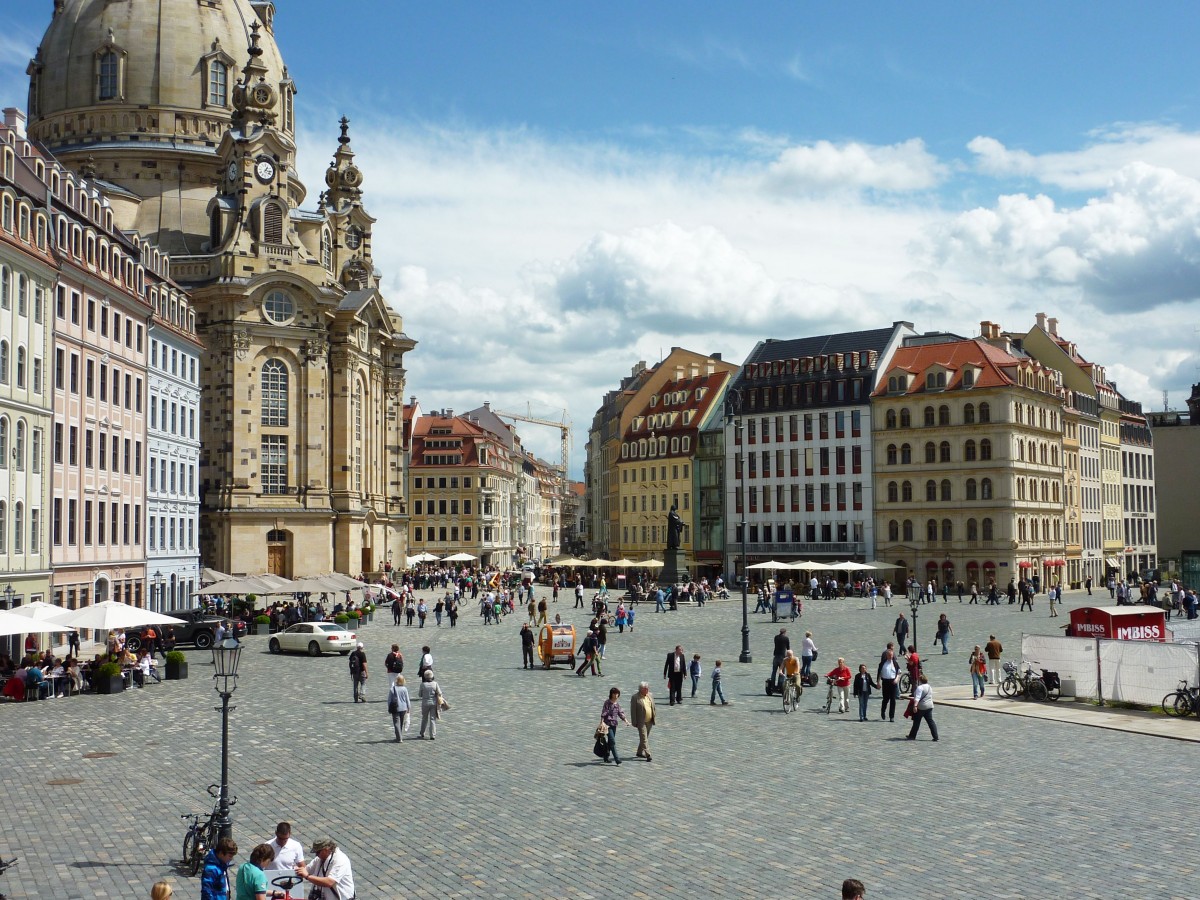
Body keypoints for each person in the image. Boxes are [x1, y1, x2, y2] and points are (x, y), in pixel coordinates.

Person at [600, 686, 629, 765]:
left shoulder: (617, 704)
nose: (616, 695)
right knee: (612, 741)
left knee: (610, 742)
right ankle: (617, 759)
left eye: (617, 694)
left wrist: (626, 721)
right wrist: (601, 722)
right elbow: (604, 713)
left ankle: (606, 757)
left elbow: (620, 713)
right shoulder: (607, 703)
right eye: (614, 694)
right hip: (607, 725)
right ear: (611, 694)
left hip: (614, 725)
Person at [906, 674, 939, 741]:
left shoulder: (920, 688)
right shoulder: (929, 687)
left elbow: (917, 698)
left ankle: (912, 736)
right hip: (929, 706)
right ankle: (935, 736)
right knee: (930, 721)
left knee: (916, 722)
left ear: (920, 680)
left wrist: (915, 706)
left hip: (921, 707)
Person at [631, 681, 656, 761]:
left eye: (647, 688)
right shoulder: (635, 697)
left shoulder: (650, 695)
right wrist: (634, 722)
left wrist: (654, 716)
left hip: (649, 721)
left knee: (645, 737)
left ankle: (639, 752)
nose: (647, 690)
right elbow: (633, 711)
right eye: (645, 689)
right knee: (644, 738)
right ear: (641, 689)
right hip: (641, 722)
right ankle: (648, 755)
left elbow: (653, 706)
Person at [417, 669, 445, 739]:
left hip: (425, 703)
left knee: (424, 718)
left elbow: (420, 695)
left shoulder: (423, 684)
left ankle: (422, 733)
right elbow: (440, 693)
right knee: (432, 719)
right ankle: (432, 735)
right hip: (433, 703)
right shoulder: (435, 684)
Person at [877, 647, 899, 723]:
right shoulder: (882, 663)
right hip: (885, 682)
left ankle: (891, 716)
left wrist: (896, 679)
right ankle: (883, 711)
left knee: (893, 700)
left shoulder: (895, 663)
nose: (891, 657)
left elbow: (899, 672)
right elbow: (879, 673)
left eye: (892, 655)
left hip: (893, 682)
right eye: (889, 655)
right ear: (886, 655)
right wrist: (878, 682)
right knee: (886, 699)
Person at [388, 674, 412, 742]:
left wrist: (389, 708)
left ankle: (399, 738)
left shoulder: (392, 689)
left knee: (396, 723)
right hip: (403, 708)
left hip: (395, 708)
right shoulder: (404, 689)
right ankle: (400, 735)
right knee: (401, 722)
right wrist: (409, 707)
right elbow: (407, 699)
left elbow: (389, 700)